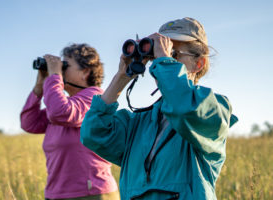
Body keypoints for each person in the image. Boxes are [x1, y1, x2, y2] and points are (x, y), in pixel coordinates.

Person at [80, 17, 238, 199]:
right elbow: (93, 134)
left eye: (173, 54)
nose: (159, 62)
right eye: (156, 56)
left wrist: (164, 60)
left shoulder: (214, 109)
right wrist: (121, 77)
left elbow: (185, 107)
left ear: (198, 64)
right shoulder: (139, 122)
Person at [20, 43, 119, 200]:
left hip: (91, 193)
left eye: (65, 66)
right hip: (56, 193)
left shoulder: (95, 99)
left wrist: (54, 77)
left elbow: (61, 113)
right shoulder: (64, 104)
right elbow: (29, 123)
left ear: (85, 72)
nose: (60, 71)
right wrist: (39, 87)